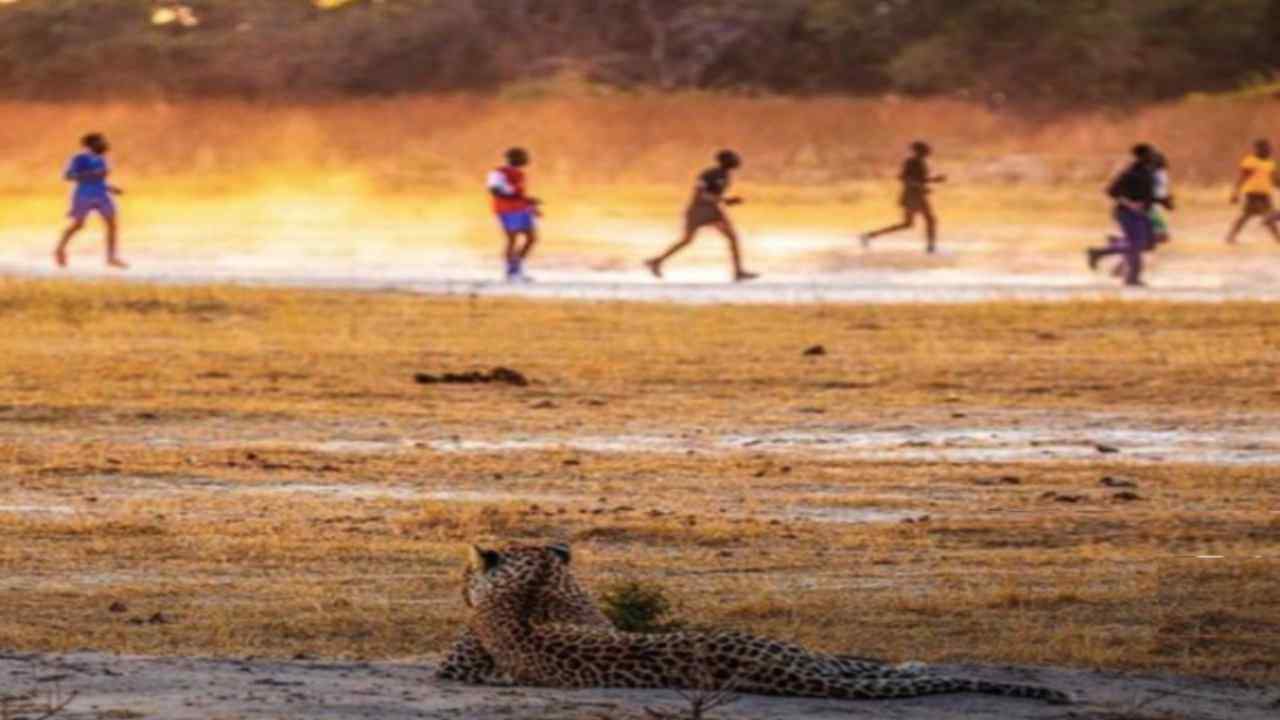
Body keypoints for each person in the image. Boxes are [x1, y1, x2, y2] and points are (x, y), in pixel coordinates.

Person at [645, 150, 758, 283]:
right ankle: (656, 261)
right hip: (699, 211)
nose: (737, 161)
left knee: (731, 237)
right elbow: (700, 193)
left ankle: (738, 272)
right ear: (726, 161)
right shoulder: (709, 174)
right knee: (687, 240)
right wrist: (724, 200)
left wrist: (724, 200)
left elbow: (712, 195)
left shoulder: (725, 176)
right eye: (733, 158)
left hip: (711, 210)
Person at [1087, 144, 1158, 287]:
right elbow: (1111, 191)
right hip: (1127, 213)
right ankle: (1132, 278)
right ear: (1141, 156)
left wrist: (1161, 202)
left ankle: (1100, 253)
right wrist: (1130, 203)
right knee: (1136, 244)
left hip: (1143, 213)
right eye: (1150, 154)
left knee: (1146, 244)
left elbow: (1149, 194)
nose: (1153, 156)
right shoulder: (1130, 172)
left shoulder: (1148, 172)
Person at [55, 133, 127, 269]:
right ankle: (59, 250)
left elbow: (100, 180)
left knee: (112, 224)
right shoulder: (79, 158)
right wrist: (89, 174)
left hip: (101, 194)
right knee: (78, 225)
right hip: (83, 195)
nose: (103, 144)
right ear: (90, 144)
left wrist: (111, 188)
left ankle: (111, 257)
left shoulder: (102, 159)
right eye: (100, 142)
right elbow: (68, 176)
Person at [860, 141, 946, 253]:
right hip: (913, 196)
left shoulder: (919, 162)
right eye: (926, 150)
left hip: (915, 195)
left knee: (908, 223)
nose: (928, 152)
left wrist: (933, 180)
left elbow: (918, 179)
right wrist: (920, 186)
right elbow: (904, 178)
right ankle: (931, 247)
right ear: (920, 151)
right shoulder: (912, 162)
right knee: (929, 220)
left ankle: (870, 235)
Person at [1108, 151, 1174, 278]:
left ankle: (1120, 256)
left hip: (1151, 210)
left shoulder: (1157, 174)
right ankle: (1119, 251)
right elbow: (1153, 194)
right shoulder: (1154, 174)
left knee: (1148, 241)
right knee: (1151, 240)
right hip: (1150, 211)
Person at [488, 147, 541, 282]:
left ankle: (516, 267)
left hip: (521, 209)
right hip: (506, 210)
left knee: (531, 238)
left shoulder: (520, 174)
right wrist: (513, 193)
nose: (526, 160)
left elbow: (518, 193)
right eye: (523, 157)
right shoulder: (498, 173)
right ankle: (511, 272)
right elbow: (495, 190)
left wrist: (529, 202)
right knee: (512, 239)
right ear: (513, 158)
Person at [1225, 139, 1280, 244]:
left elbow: (1274, 181)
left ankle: (1230, 237)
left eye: (1268, 148)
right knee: (1267, 215)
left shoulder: (1270, 163)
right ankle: (1278, 239)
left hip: (1265, 194)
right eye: (1265, 148)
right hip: (1252, 194)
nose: (1268, 151)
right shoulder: (1250, 161)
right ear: (1257, 149)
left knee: (1246, 216)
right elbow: (1242, 178)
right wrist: (1235, 193)